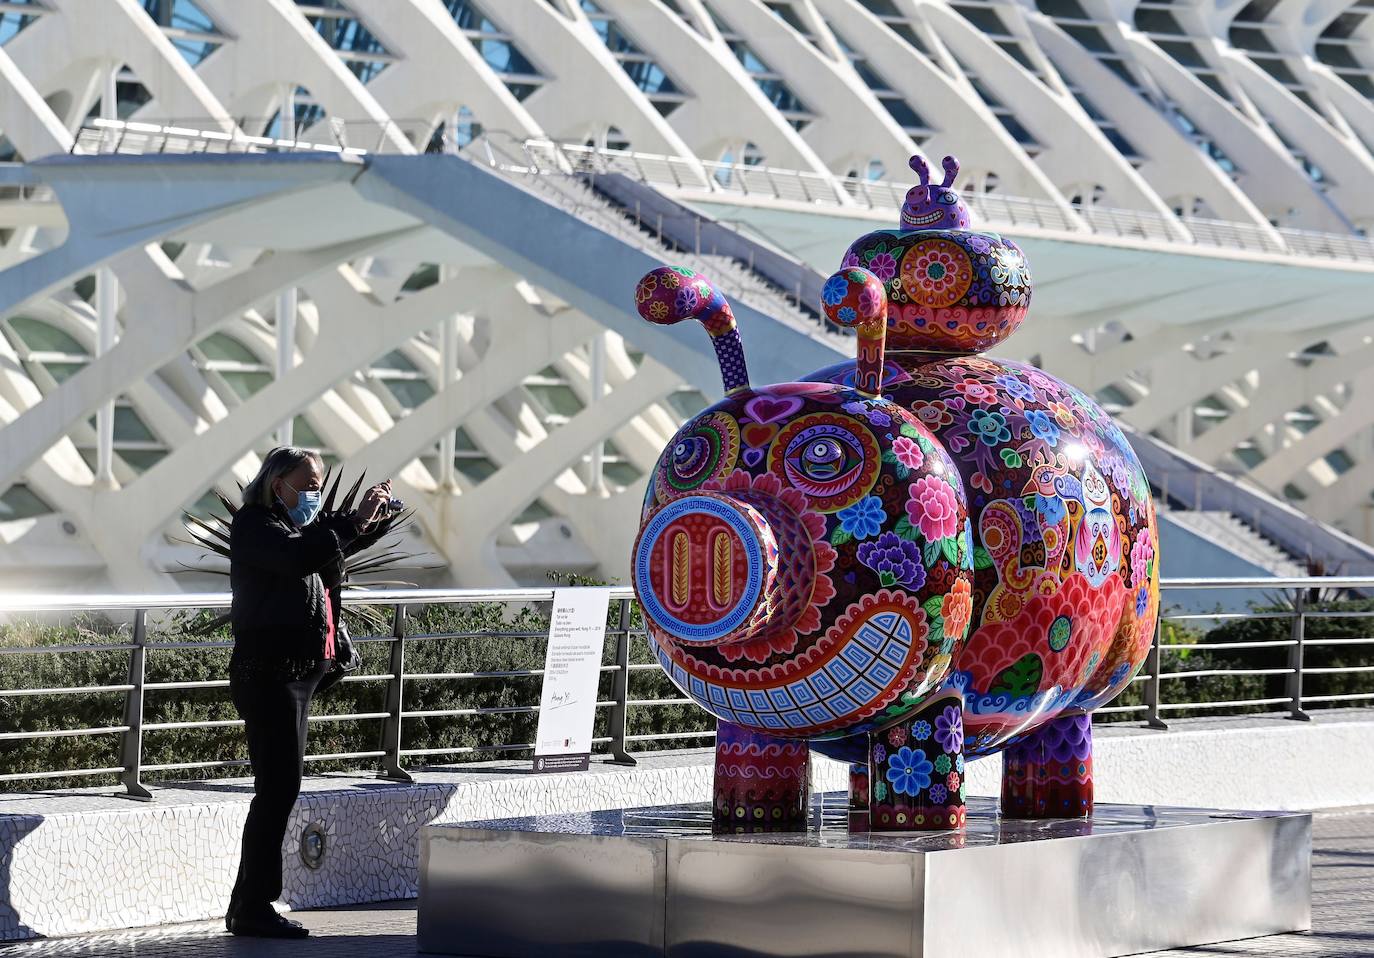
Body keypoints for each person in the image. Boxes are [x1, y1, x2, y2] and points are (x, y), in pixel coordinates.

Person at [224, 446, 392, 939]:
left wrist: (368, 521)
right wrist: (350, 521)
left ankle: (248, 904)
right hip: (269, 674)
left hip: (296, 674)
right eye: (309, 483)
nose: (315, 493)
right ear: (279, 484)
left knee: (281, 788)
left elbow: (321, 547)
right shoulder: (255, 526)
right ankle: (251, 906)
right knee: (277, 790)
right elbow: (298, 555)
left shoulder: (293, 528)